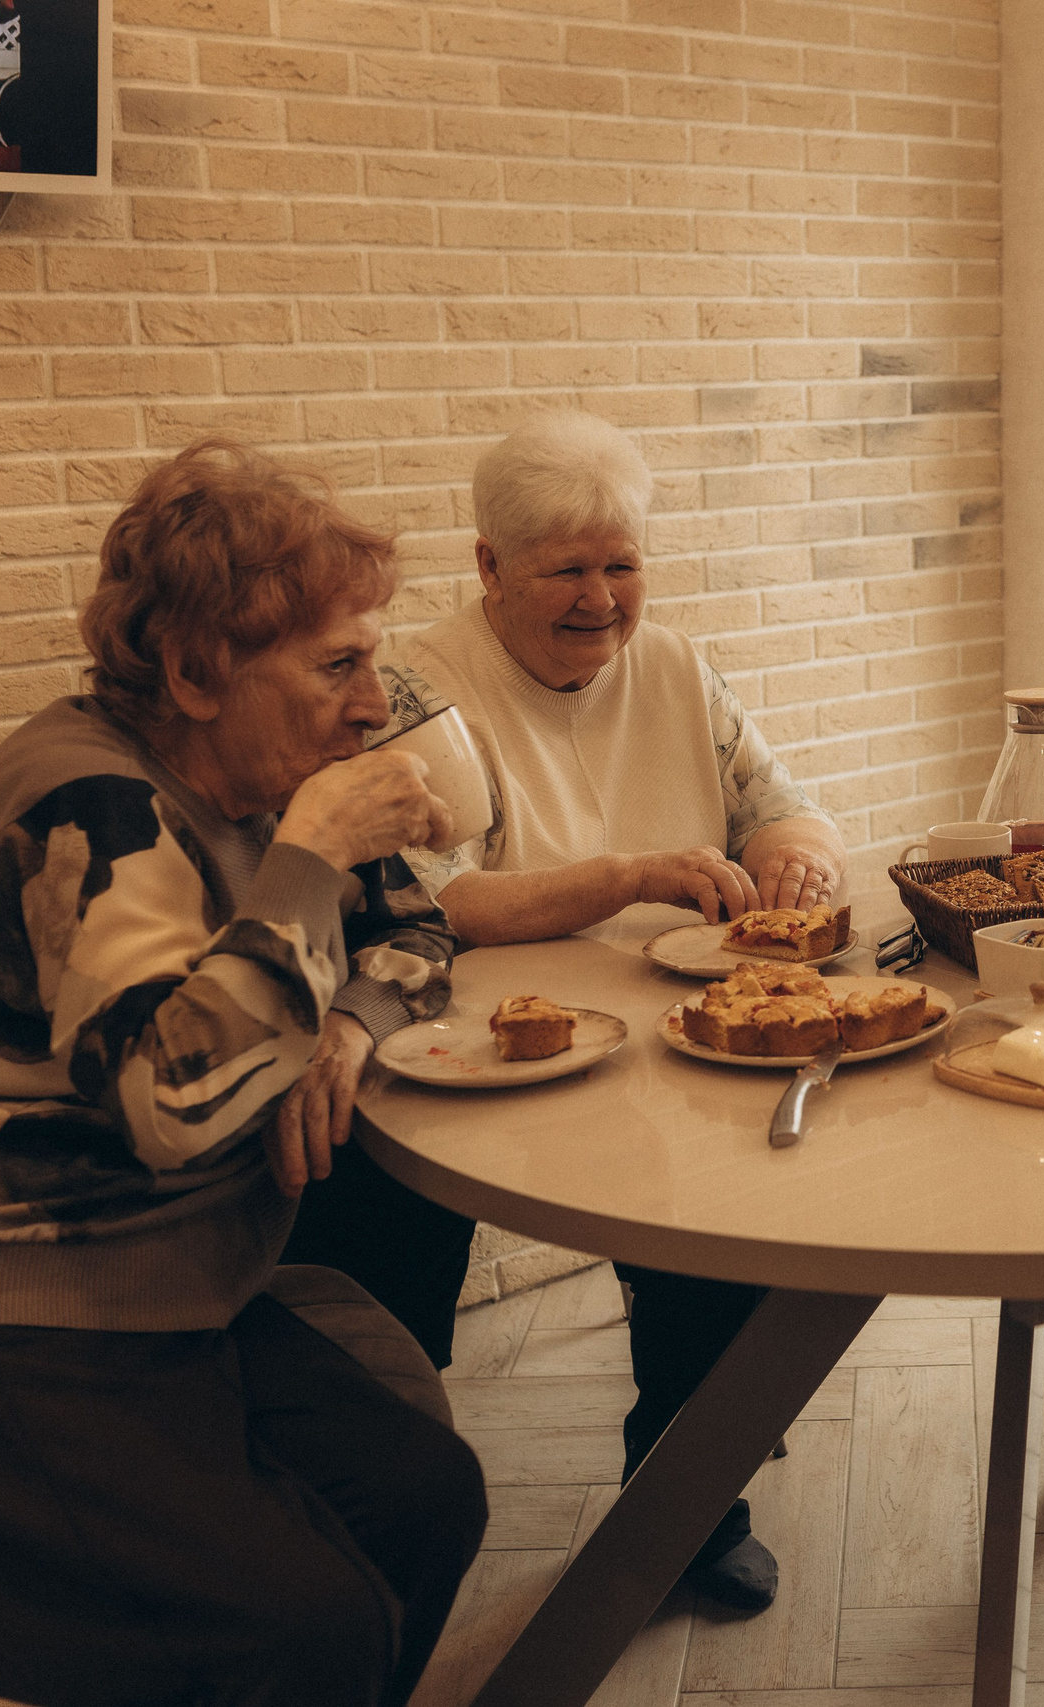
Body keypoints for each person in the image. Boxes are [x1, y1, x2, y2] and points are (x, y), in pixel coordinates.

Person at [0, 441, 487, 1707]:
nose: (376, 705)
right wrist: (309, 867)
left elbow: (421, 931)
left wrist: (354, 1021)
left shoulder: (269, 786)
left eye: (370, 661)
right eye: (338, 665)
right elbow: (176, 1107)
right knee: (296, 1631)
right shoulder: (92, 807)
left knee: (426, 1499)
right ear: (196, 671)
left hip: (146, 1265)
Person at [388, 409, 847, 1615]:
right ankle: (383, 1504)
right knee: (387, 1239)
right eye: (568, 571)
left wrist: (798, 857)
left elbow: (779, 801)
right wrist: (632, 875)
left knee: (732, 1215)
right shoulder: (419, 687)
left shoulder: (678, 666)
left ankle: (685, 1503)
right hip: (484, 1048)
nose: (602, 600)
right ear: (488, 567)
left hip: (675, 1030)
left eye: (624, 565)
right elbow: (448, 899)